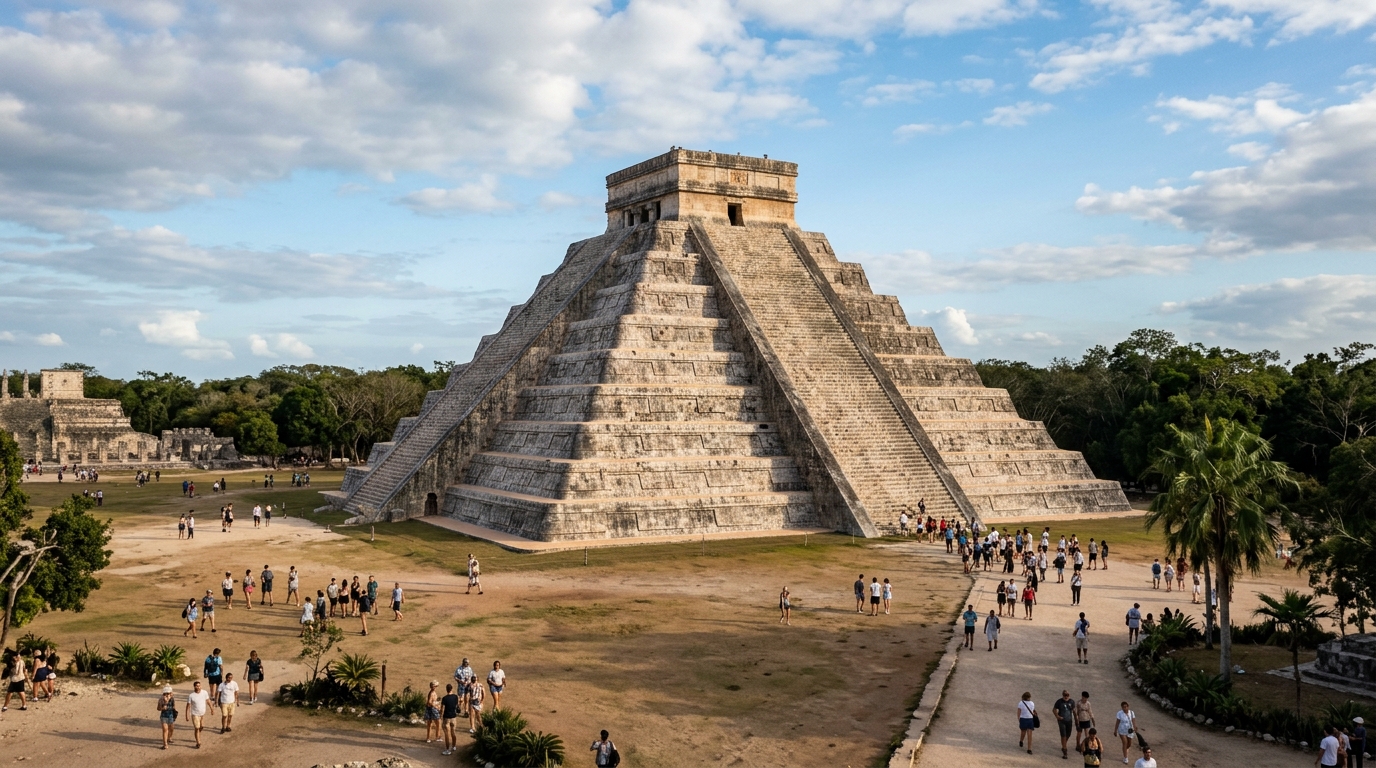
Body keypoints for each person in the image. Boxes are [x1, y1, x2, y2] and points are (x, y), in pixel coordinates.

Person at [185, 680, 210, 749]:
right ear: (194, 687)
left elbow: (208, 701)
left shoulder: (204, 693)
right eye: (197, 686)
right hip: (195, 714)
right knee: (197, 728)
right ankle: (198, 742)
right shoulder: (191, 696)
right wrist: (187, 715)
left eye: (199, 686)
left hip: (202, 714)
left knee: (201, 727)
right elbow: (188, 706)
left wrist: (212, 709)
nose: (198, 687)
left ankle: (198, 734)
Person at [1054, 690, 1077, 759]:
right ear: (1062, 695)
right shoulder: (1059, 701)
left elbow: (1074, 711)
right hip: (1062, 720)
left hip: (1069, 720)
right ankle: (1065, 750)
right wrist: (1057, 716)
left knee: (1068, 734)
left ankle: (1064, 744)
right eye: (1065, 695)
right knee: (1063, 735)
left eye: (1067, 695)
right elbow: (1054, 709)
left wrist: (1076, 720)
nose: (1066, 696)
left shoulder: (1072, 702)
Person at [440, 683, 460, 755]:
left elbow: (442, 709)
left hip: (446, 717)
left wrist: (440, 715)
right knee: (453, 732)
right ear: (452, 689)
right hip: (453, 717)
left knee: (447, 734)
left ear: (446, 689)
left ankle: (448, 749)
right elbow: (457, 705)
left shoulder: (444, 698)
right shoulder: (455, 697)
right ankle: (454, 746)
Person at [157, 684, 178, 749]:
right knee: (165, 730)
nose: (168, 695)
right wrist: (162, 708)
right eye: (166, 693)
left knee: (171, 729)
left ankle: (169, 738)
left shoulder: (172, 699)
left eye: (169, 693)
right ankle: (165, 744)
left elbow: (174, 706)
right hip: (164, 716)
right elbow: (158, 708)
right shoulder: (161, 699)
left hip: (171, 716)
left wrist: (175, 713)